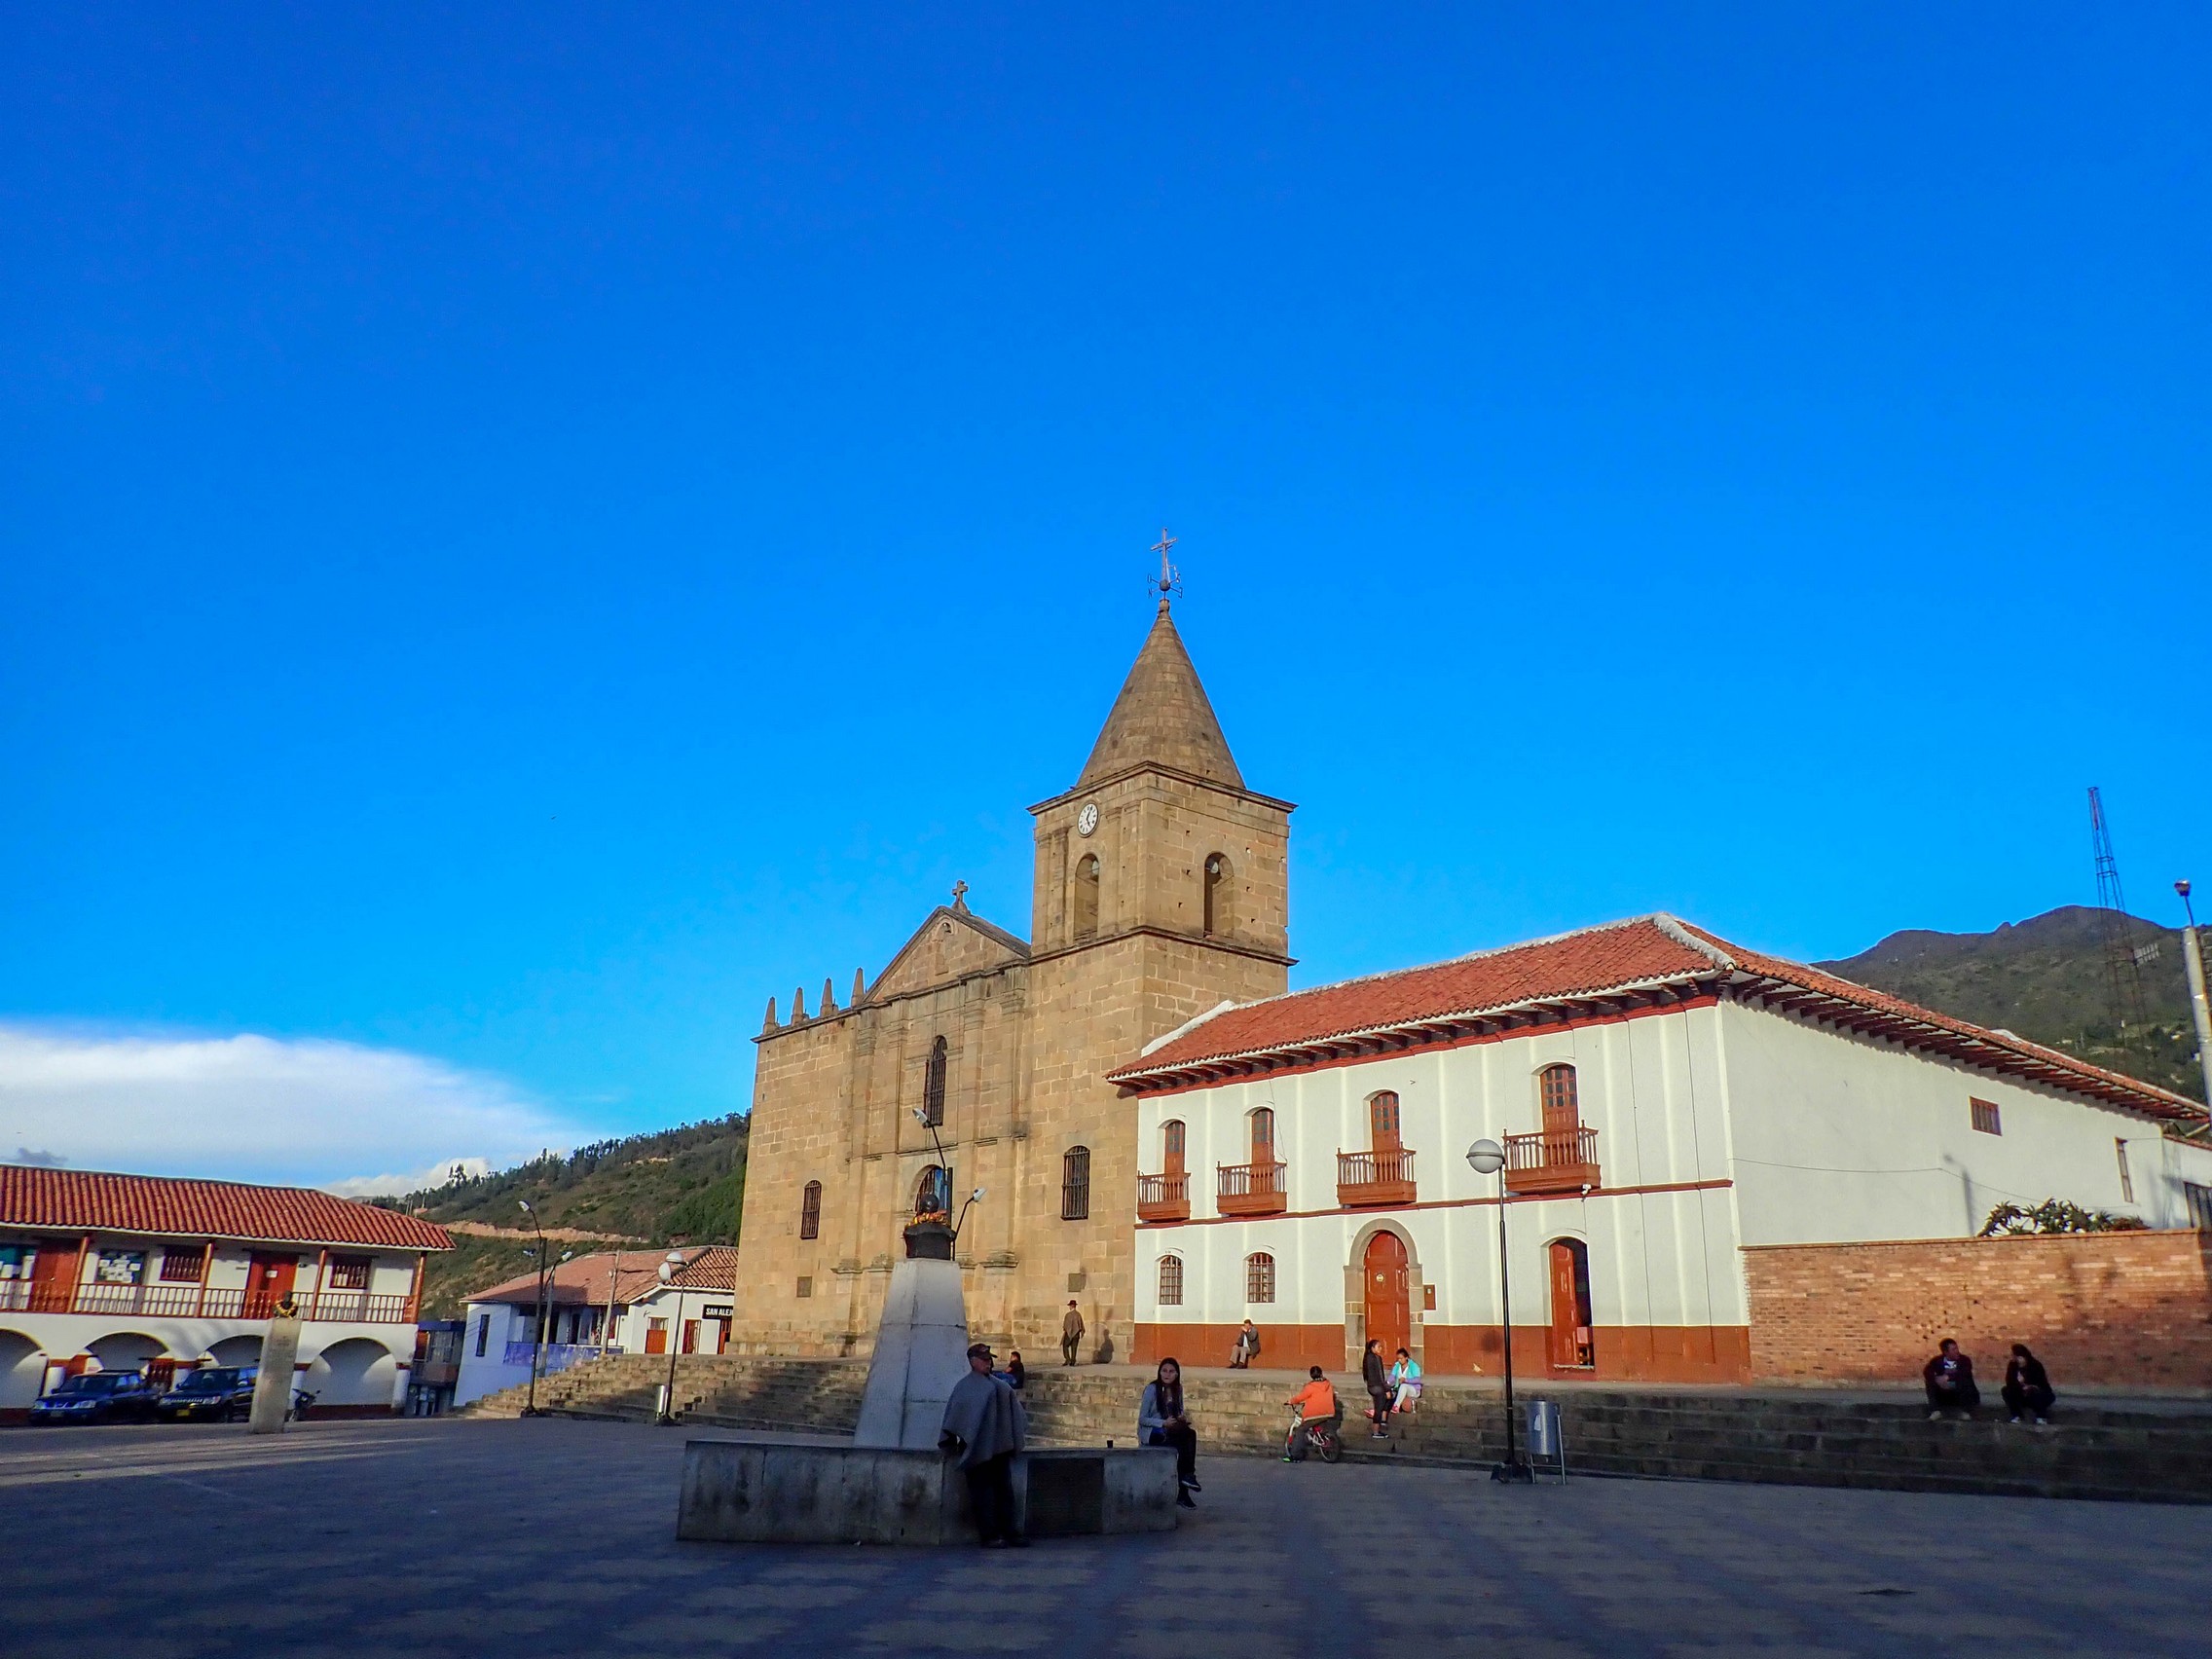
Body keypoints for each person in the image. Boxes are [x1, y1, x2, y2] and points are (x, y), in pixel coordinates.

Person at [940, 1342, 1028, 1547]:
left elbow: (1016, 1416)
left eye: (989, 1360)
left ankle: (1010, 1532)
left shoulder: (1001, 1387)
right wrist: (950, 1440)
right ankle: (989, 1535)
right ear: (973, 1362)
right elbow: (955, 1415)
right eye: (984, 1360)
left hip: (999, 1448)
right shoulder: (965, 1387)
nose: (988, 1363)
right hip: (977, 1449)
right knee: (983, 1494)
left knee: (1004, 1493)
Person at [1138, 1356, 1200, 1508]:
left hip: (1172, 1429)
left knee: (1190, 1435)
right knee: (1184, 1443)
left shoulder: (1178, 1389)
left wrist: (1181, 1418)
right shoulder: (1151, 1390)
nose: (1167, 1374)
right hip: (1153, 1432)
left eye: (1171, 1371)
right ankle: (1186, 1483)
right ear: (1159, 1372)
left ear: (1177, 1374)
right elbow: (1142, 1419)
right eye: (1164, 1371)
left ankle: (1187, 1480)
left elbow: (1180, 1410)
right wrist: (1162, 1423)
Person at [1283, 1366, 1338, 1462]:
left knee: (1300, 1430)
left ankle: (1295, 1455)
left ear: (1311, 1375)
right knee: (1319, 1426)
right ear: (1321, 1373)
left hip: (1314, 1414)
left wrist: (1291, 1401)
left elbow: (1300, 1397)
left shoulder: (1310, 1387)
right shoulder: (1328, 1384)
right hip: (1328, 1412)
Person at [1923, 1339, 1980, 1419]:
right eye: (1953, 1349)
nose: (1957, 1351)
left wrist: (1948, 1377)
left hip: (1959, 1389)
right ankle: (1935, 1411)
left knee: (1965, 1381)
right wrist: (1937, 1379)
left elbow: (1964, 1373)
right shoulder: (1937, 1361)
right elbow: (1927, 1371)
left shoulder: (1964, 1360)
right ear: (1946, 1352)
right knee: (1930, 1382)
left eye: (1956, 1348)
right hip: (1944, 1392)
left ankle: (1965, 1411)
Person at [2002, 1344, 2054, 1424]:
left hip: (2036, 1393)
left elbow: (2041, 1383)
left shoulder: (2035, 1365)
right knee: (2006, 1391)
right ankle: (2017, 1415)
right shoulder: (2013, 1365)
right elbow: (2009, 1381)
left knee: (2036, 1393)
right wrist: (2018, 1384)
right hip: (2020, 1392)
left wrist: (2029, 1385)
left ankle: (2041, 1416)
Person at [1361, 1338, 1391, 1438]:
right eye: (1379, 1347)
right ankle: (1376, 1431)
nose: (1380, 1348)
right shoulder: (1376, 1358)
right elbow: (1380, 1377)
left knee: (1380, 1405)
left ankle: (1381, 1421)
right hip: (1378, 1387)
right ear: (1373, 1348)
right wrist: (1386, 1389)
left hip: (1371, 1386)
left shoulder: (1367, 1358)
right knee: (1379, 1408)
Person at [1387, 1346, 1422, 1416]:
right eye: (1398, 1359)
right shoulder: (1397, 1366)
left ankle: (1396, 1406)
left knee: (1404, 1385)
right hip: (1399, 1389)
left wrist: (1405, 1380)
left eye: (1401, 1358)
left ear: (1406, 1358)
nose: (1399, 1360)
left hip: (1413, 1390)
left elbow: (1417, 1380)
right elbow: (1392, 1376)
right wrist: (1387, 1382)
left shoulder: (1413, 1366)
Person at [1061, 1300, 1086, 1366]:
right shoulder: (1078, 1315)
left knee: (1065, 1345)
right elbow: (1081, 1324)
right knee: (1074, 1347)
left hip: (1068, 1334)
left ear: (1071, 1306)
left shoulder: (1068, 1315)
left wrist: (1066, 1329)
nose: (1069, 1307)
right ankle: (1072, 1361)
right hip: (1076, 1334)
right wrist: (1081, 1332)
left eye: (1070, 1306)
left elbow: (1065, 1325)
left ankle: (1068, 1359)